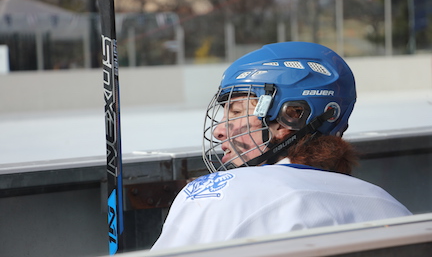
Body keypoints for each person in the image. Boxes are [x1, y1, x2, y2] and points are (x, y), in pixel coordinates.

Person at [151, 41, 412, 250]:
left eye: (237, 111)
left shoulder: (218, 195)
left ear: (293, 116)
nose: (219, 131)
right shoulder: (386, 205)